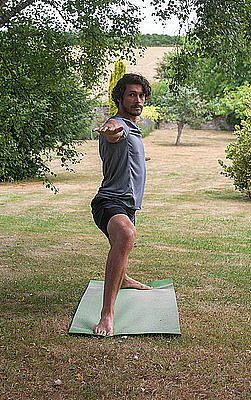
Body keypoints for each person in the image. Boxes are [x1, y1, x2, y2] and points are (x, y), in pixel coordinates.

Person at [90, 73, 153, 336]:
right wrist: (112, 131)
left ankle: (124, 279)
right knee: (126, 235)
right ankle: (107, 314)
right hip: (108, 202)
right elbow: (114, 133)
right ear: (119, 98)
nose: (138, 100)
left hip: (126, 204)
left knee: (122, 246)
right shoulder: (119, 124)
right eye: (131, 95)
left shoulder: (134, 128)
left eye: (141, 95)